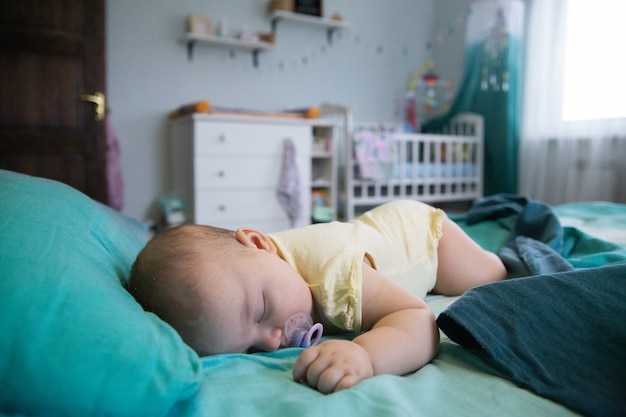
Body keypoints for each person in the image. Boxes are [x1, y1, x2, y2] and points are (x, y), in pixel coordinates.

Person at [128, 200, 506, 394]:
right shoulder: (261, 272)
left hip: (423, 238)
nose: (273, 341)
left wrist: (366, 353)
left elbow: (418, 319)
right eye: (251, 350)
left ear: (260, 243)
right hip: (377, 229)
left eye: (262, 310)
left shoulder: (333, 272)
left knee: (493, 275)